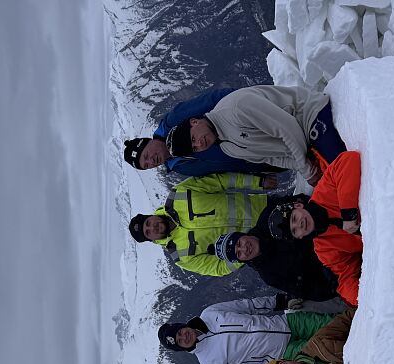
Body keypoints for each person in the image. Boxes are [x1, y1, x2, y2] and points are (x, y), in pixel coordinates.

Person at [163, 84, 346, 186]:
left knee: (341, 170)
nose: (200, 144)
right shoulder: (227, 146)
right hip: (306, 144)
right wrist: (305, 168)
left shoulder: (235, 108)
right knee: (329, 192)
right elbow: (272, 157)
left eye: (193, 138)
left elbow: (287, 127)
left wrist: (306, 169)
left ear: (194, 121)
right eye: (195, 148)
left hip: (310, 115)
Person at [128, 172, 278, 277]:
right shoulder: (181, 256)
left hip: (265, 207)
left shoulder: (179, 194)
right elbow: (218, 268)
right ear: (152, 240)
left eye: (148, 222)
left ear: (151, 216)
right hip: (262, 248)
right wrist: (243, 256)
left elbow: (221, 181)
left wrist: (257, 182)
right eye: (148, 232)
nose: (152, 227)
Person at [157, 296, 336, 364]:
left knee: (336, 325)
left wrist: (280, 301)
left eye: (179, 332)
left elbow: (247, 306)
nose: (183, 337)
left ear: (181, 326)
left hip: (286, 322)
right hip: (284, 355)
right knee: (327, 348)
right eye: (180, 341)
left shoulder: (210, 313)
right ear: (182, 348)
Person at [265, 151, 363, 306]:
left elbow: (348, 159)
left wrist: (349, 214)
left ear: (298, 206)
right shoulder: (323, 249)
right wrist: (363, 300)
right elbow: (345, 277)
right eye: (295, 230)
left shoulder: (323, 192)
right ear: (299, 237)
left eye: (295, 218)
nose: (300, 224)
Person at [122, 88, 286, 178]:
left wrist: (253, 105)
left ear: (147, 142)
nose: (151, 162)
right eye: (147, 166)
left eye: (146, 156)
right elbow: (221, 174)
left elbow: (215, 98)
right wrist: (258, 175)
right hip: (261, 160)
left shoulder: (174, 120)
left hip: (259, 127)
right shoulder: (180, 167)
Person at [212, 230, 347, 310]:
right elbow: (311, 290)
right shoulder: (269, 274)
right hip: (339, 273)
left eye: (239, 243)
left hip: (338, 238)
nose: (244, 249)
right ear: (241, 260)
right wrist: (334, 281)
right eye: (239, 254)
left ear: (242, 235)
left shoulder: (268, 223)